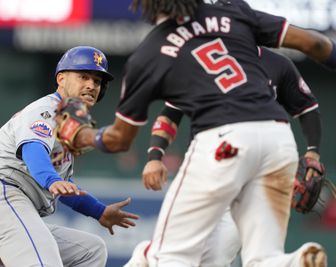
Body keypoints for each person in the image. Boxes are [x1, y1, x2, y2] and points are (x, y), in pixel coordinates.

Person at [69, 1, 336, 266]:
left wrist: (83, 135)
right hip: (278, 139)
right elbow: (315, 44)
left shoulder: (150, 53)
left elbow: (119, 138)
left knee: (171, 255)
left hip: (222, 143)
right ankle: (298, 260)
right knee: (262, 257)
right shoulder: (233, 11)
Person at [124, 46, 323, 267]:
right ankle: (146, 254)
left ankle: (296, 261)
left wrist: (313, 150)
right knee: (171, 255)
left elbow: (308, 107)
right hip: (206, 170)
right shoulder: (202, 61)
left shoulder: (277, 64)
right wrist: (155, 155)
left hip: (248, 179)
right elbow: (170, 114)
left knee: (215, 260)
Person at [0, 46, 139, 267]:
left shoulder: (69, 126)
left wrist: (99, 211)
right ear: (61, 78)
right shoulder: (46, 109)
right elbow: (34, 151)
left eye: (97, 81)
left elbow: (66, 190)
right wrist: (52, 180)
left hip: (9, 213)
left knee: (90, 250)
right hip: (3, 200)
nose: (91, 85)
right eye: (84, 76)